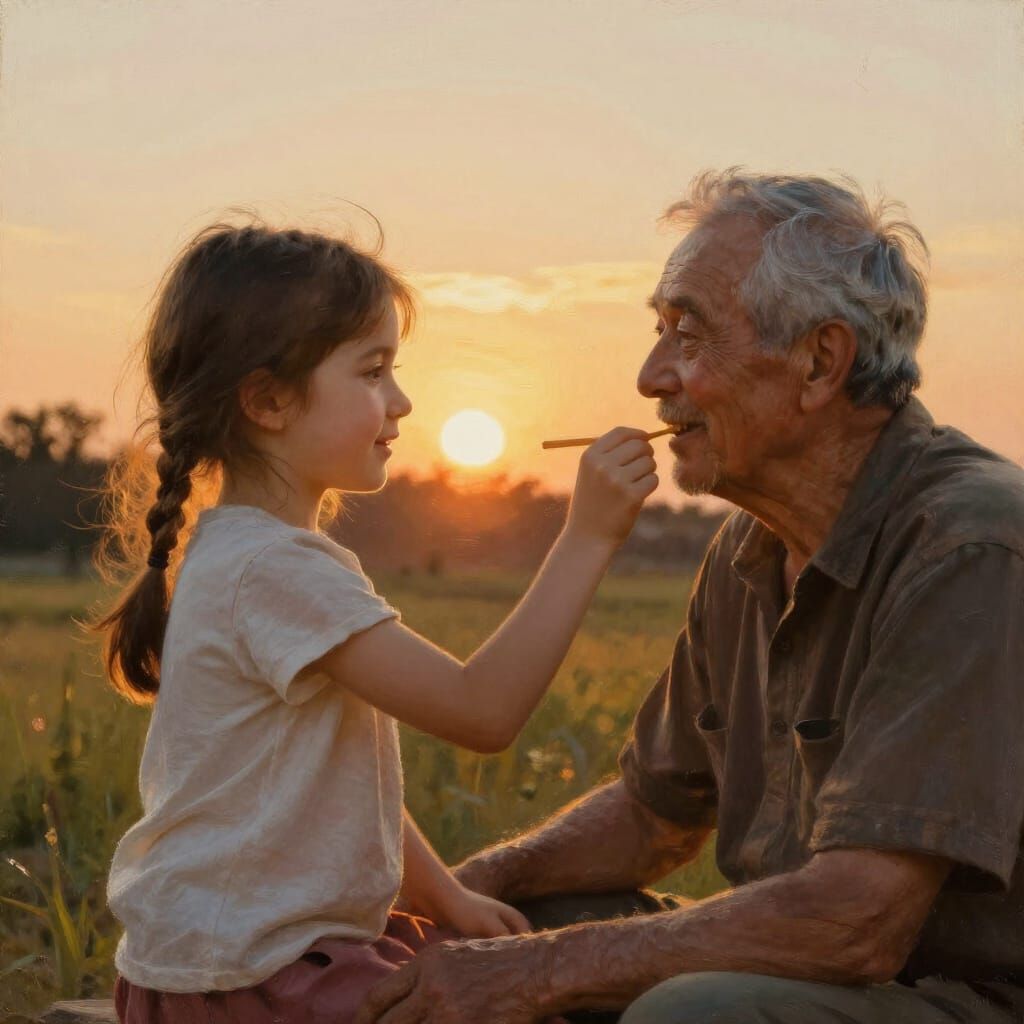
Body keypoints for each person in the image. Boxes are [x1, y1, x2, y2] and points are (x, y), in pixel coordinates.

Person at [356, 172, 1024, 1023]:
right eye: (658, 329)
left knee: (690, 1013)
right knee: (521, 923)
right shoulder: (749, 549)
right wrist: (462, 897)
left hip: (964, 996)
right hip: (820, 981)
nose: (649, 376)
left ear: (819, 362)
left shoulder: (970, 547)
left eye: (689, 334)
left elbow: (859, 922)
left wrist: (533, 973)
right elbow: (653, 815)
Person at [92, 220, 659, 1024]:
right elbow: (482, 710)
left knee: (507, 965)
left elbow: (339, 791)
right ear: (268, 401)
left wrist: (451, 898)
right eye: (373, 371)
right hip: (248, 980)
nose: (401, 401)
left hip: (241, 959)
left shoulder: (250, 554)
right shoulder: (274, 570)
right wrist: (589, 534)